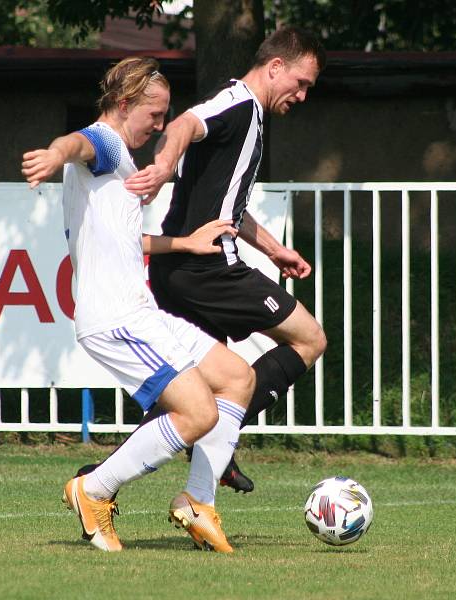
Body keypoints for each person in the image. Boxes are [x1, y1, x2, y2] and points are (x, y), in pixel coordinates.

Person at [21, 57, 255, 553]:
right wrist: (53, 153)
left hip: (140, 312)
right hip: (116, 319)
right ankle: (94, 489)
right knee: (197, 412)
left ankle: (197, 500)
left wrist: (186, 244)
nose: (161, 125)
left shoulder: (123, 161)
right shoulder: (105, 142)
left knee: (238, 376)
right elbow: (78, 143)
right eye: (155, 114)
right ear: (124, 105)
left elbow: (126, 240)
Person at [124, 27, 328, 493]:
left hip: (184, 271)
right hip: (206, 268)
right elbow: (182, 125)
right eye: (301, 83)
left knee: (195, 394)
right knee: (309, 339)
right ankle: (220, 441)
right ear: (276, 67)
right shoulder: (237, 103)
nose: (302, 95)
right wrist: (162, 166)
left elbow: (227, 205)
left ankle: (100, 479)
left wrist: (275, 249)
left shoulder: (251, 114)